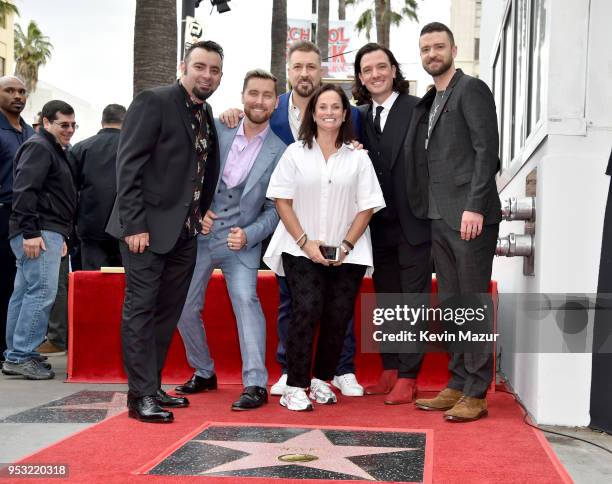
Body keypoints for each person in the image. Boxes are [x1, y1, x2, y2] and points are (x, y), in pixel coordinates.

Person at [221, 40, 365, 398]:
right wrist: (231, 113)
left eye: (311, 67)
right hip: (286, 224)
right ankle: (290, 369)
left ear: (321, 71)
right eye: (298, 67)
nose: (304, 74)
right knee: (295, 301)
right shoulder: (272, 107)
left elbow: (354, 159)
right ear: (289, 70)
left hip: (334, 224)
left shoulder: (348, 113)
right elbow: (249, 126)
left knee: (337, 303)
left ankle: (340, 368)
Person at [105, 40, 222, 423]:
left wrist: (201, 212)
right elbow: (129, 164)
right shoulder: (153, 101)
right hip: (146, 232)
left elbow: (201, 171)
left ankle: (152, 386)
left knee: (166, 313)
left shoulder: (205, 115)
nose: (207, 75)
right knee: (140, 310)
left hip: (185, 234)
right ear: (183, 65)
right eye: (201, 67)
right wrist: (134, 223)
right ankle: (139, 398)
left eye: (215, 70)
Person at [263, 84, 385, 411]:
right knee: (306, 310)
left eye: (336, 107)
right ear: (312, 113)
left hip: (349, 251)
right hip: (300, 247)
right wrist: (305, 242)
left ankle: (320, 380)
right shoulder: (295, 153)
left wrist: (345, 245)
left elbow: (368, 206)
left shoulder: (358, 158)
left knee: (337, 316)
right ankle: (295, 385)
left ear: (345, 114)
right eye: (322, 107)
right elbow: (281, 201)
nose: (329, 112)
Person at [405, 22, 501, 422]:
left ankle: (476, 392)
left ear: (453, 48)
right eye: (425, 48)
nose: (432, 53)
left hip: (468, 215)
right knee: (451, 304)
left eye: (438, 46)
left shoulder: (471, 89)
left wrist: (475, 206)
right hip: (438, 215)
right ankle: (458, 382)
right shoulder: (433, 97)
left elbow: (486, 150)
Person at [175, 69, 286, 411]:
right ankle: (204, 371)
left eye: (267, 95)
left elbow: (276, 207)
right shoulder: (218, 127)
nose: (259, 101)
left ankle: (255, 383)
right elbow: (187, 170)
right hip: (203, 236)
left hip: (242, 242)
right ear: (242, 95)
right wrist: (198, 210)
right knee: (183, 306)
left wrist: (250, 234)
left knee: (246, 303)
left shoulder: (281, 150)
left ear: (275, 102)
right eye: (253, 93)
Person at [352, 43, 432, 405]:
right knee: (386, 299)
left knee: (412, 300)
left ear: (394, 70)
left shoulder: (419, 108)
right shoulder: (359, 116)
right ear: (360, 78)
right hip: (377, 225)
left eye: (381, 67)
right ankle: (390, 366)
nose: (375, 75)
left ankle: (408, 375)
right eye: (367, 70)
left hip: (414, 221)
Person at [2, 100, 76, 380]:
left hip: (45, 231)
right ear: (46, 122)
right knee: (41, 293)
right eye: (63, 125)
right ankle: (21, 355)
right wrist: (31, 232)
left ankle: (18, 354)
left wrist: (62, 234)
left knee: (23, 294)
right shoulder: (40, 146)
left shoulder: (52, 149)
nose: (69, 130)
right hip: (38, 231)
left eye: (72, 125)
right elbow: (24, 190)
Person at [0, 76, 35, 364]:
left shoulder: (29, 133)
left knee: (17, 284)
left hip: (23, 218)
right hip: (2, 212)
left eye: (22, 91)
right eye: (10, 90)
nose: (17, 96)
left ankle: (11, 349)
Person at [72, 104, 126, 269]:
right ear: (126, 121)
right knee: (124, 282)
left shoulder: (81, 148)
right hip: (125, 226)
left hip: (90, 225)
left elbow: (70, 188)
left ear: (102, 121)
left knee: (93, 281)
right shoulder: (134, 147)